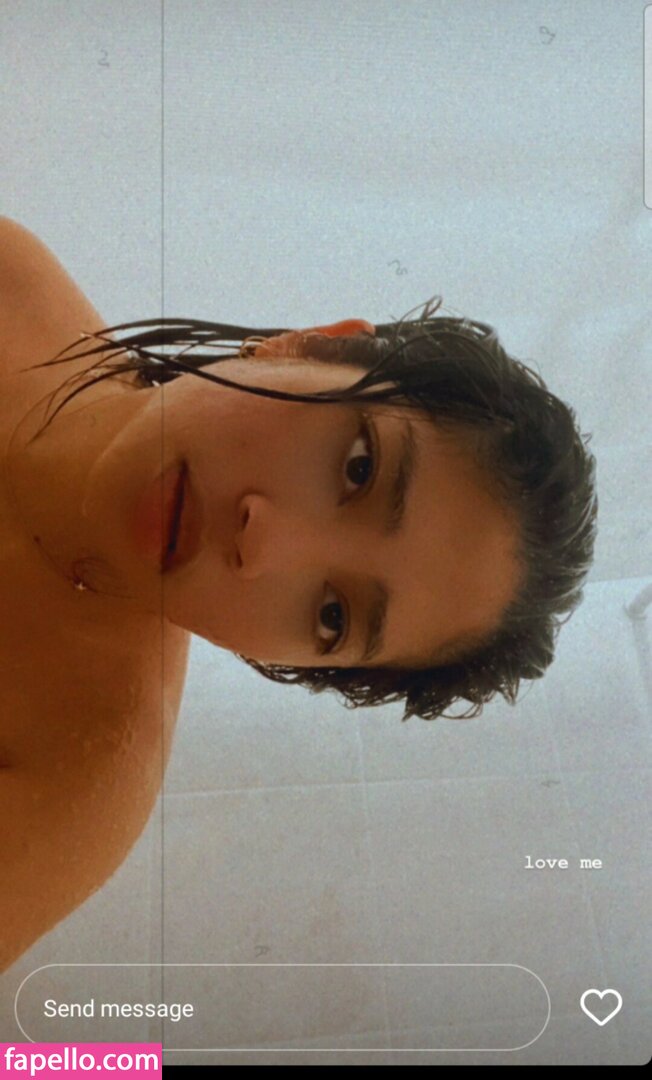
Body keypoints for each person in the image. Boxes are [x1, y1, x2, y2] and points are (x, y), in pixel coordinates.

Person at [0, 217, 597, 970]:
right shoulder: (10, 284)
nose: (264, 546)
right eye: (358, 467)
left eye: (332, 615)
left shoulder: (70, 786)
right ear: (310, 346)